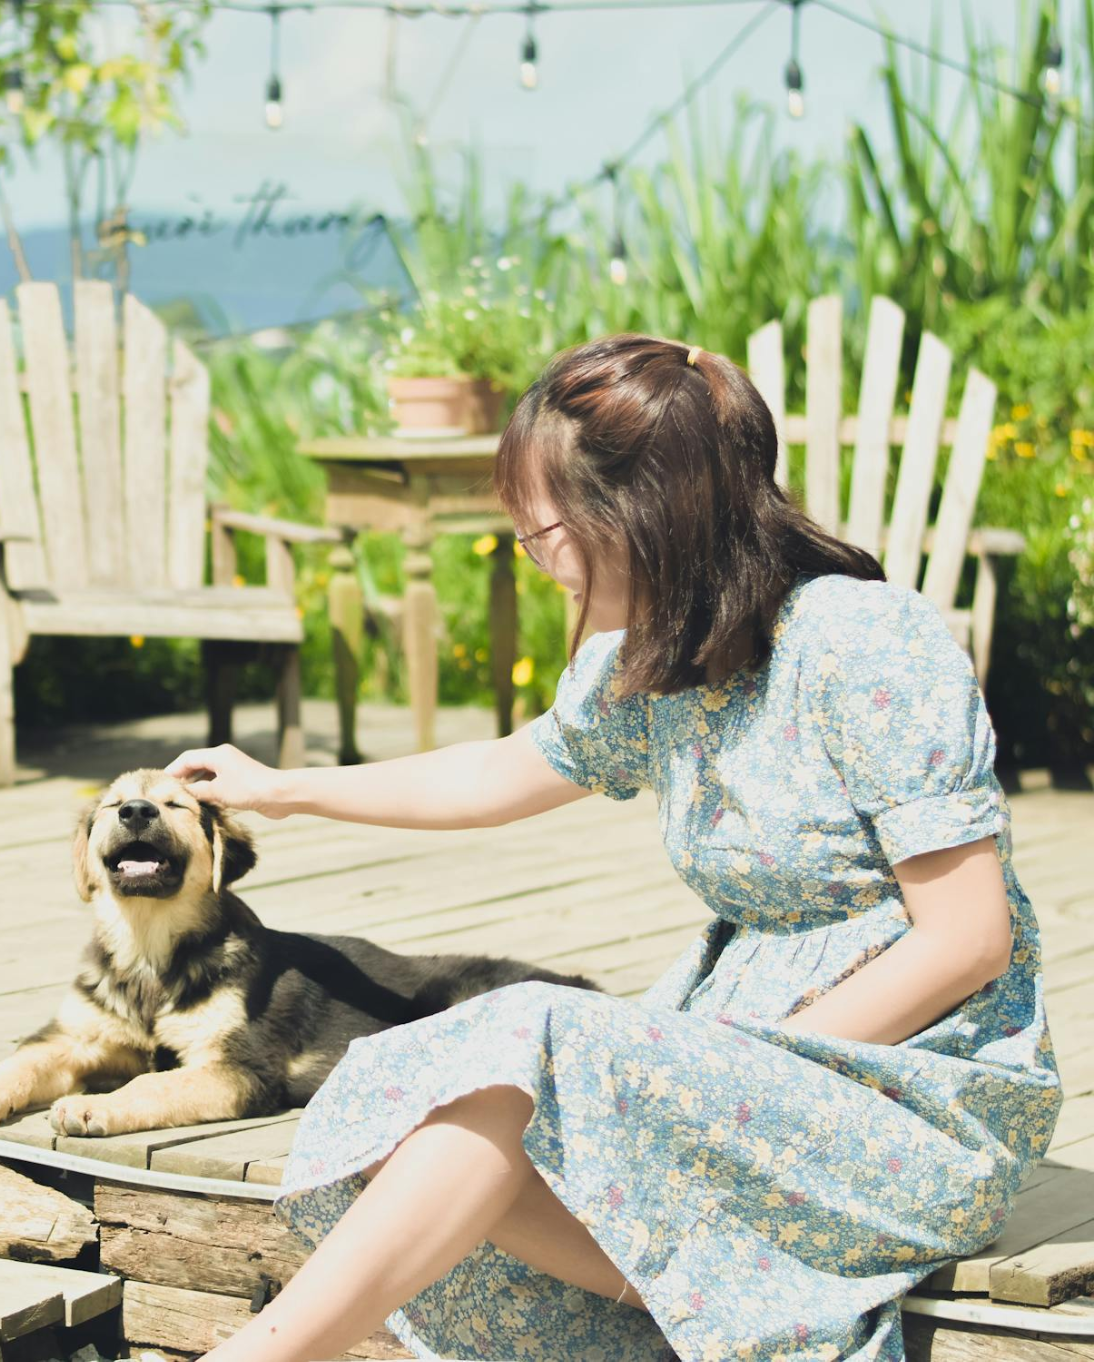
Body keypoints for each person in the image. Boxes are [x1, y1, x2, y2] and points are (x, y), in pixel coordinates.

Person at [165, 335, 1060, 1362]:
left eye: (538, 529)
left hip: (909, 1092)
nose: (534, 556)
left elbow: (966, 941)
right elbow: (495, 775)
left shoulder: (862, 643)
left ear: (640, 513)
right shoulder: (660, 659)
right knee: (419, 1118)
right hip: (738, 1064)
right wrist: (283, 789)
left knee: (527, 1033)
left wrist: (749, 1065)